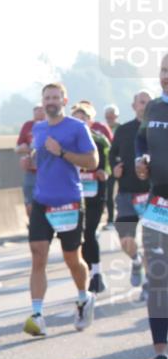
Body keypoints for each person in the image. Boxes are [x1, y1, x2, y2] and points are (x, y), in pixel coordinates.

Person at [23, 82, 99, 338]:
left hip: (69, 201)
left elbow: (92, 160)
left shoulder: (77, 128)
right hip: (42, 201)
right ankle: (37, 315)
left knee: (71, 259)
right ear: (42, 102)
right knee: (38, 255)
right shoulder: (38, 128)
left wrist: (63, 152)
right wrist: (30, 161)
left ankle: (83, 297)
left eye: (56, 97)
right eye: (47, 98)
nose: (51, 101)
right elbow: (41, 159)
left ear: (64, 101)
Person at [134, 53, 168, 359]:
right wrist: (139, 160)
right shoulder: (155, 108)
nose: (166, 76)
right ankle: (161, 356)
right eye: (163, 70)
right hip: (160, 201)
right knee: (158, 277)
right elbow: (141, 140)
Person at [110, 90, 153, 296]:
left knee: (151, 243)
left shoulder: (159, 129)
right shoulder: (124, 130)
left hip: (152, 193)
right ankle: (136, 262)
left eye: (148, 102)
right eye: (142, 102)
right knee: (126, 240)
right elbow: (113, 154)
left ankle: (149, 284)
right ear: (134, 106)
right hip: (127, 192)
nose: (145, 105)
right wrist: (114, 168)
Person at [70, 102, 112, 294]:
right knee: (80, 238)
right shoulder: (68, 142)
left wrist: (105, 171)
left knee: (89, 233)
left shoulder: (100, 140)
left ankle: (96, 275)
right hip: (75, 195)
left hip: (95, 194)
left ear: (91, 120)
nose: (80, 122)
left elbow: (111, 159)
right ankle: (87, 273)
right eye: (76, 119)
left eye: (84, 118)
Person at [17, 105, 46, 218]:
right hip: (31, 171)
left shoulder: (51, 125)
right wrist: (24, 149)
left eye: (41, 110)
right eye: (36, 110)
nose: (38, 113)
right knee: (29, 201)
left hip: (47, 171)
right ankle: (33, 222)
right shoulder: (28, 125)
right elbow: (18, 147)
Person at [105, 103, 122, 226]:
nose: (111, 118)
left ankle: (122, 216)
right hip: (108, 165)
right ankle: (110, 219)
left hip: (121, 164)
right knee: (109, 194)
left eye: (113, 116)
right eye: (108, 116)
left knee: (122, 193)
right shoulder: (103, 129)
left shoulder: (122, 129)